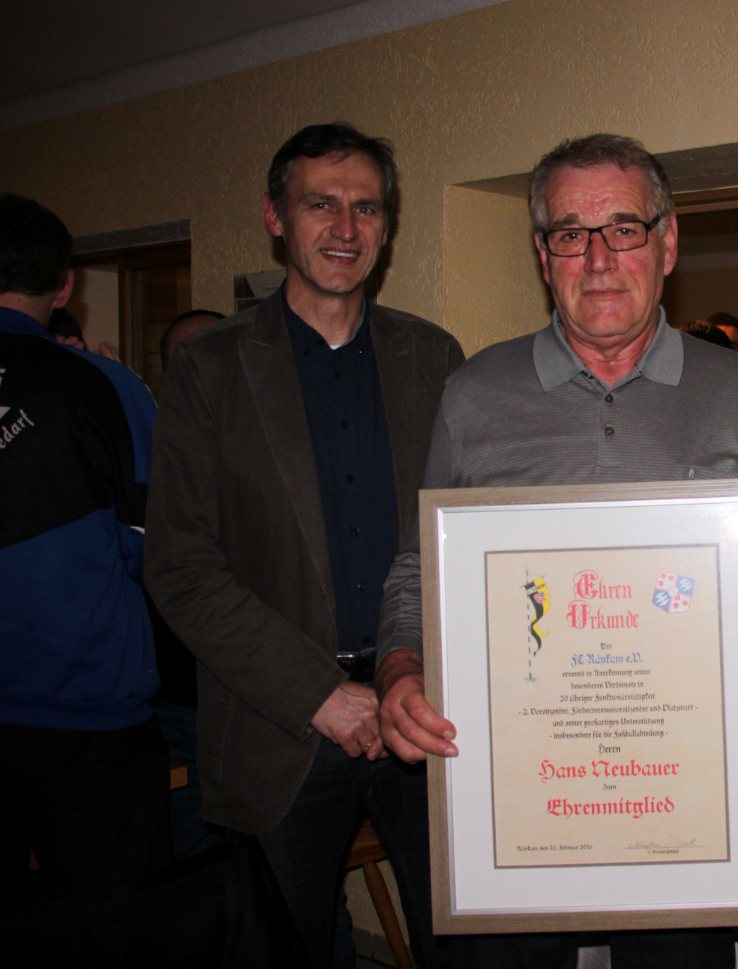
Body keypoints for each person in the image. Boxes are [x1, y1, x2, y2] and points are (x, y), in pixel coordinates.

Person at [374, 133, 738, 969]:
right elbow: (417, 571)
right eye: (571, 234)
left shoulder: (736, 392)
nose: (599, 259)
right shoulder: (474, 395)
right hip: (524, 805)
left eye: (624, 228)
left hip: (684, 808)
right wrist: (401, 667)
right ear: (542, 253)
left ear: (668, 242)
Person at [145, 123, 464, 968]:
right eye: (321, 205)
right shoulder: (209, 367)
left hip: (426, 714)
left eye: (367, 208)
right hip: (278, 724)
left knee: (462, 946)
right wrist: (318, 692)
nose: (346, 228)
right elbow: (179, 564)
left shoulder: (434, 358)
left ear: (388, 225)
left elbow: (460, 533)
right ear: (275, 217)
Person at [0, 193, 172, 903]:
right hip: (86, 714)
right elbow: (156, 549)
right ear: (65, 285)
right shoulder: (106, 386)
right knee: (114, 925)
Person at [149, 307, 228, 861]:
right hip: (180, 701)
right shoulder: (146, 449)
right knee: (195, 865)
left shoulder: (271, 452)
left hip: (268, 698)